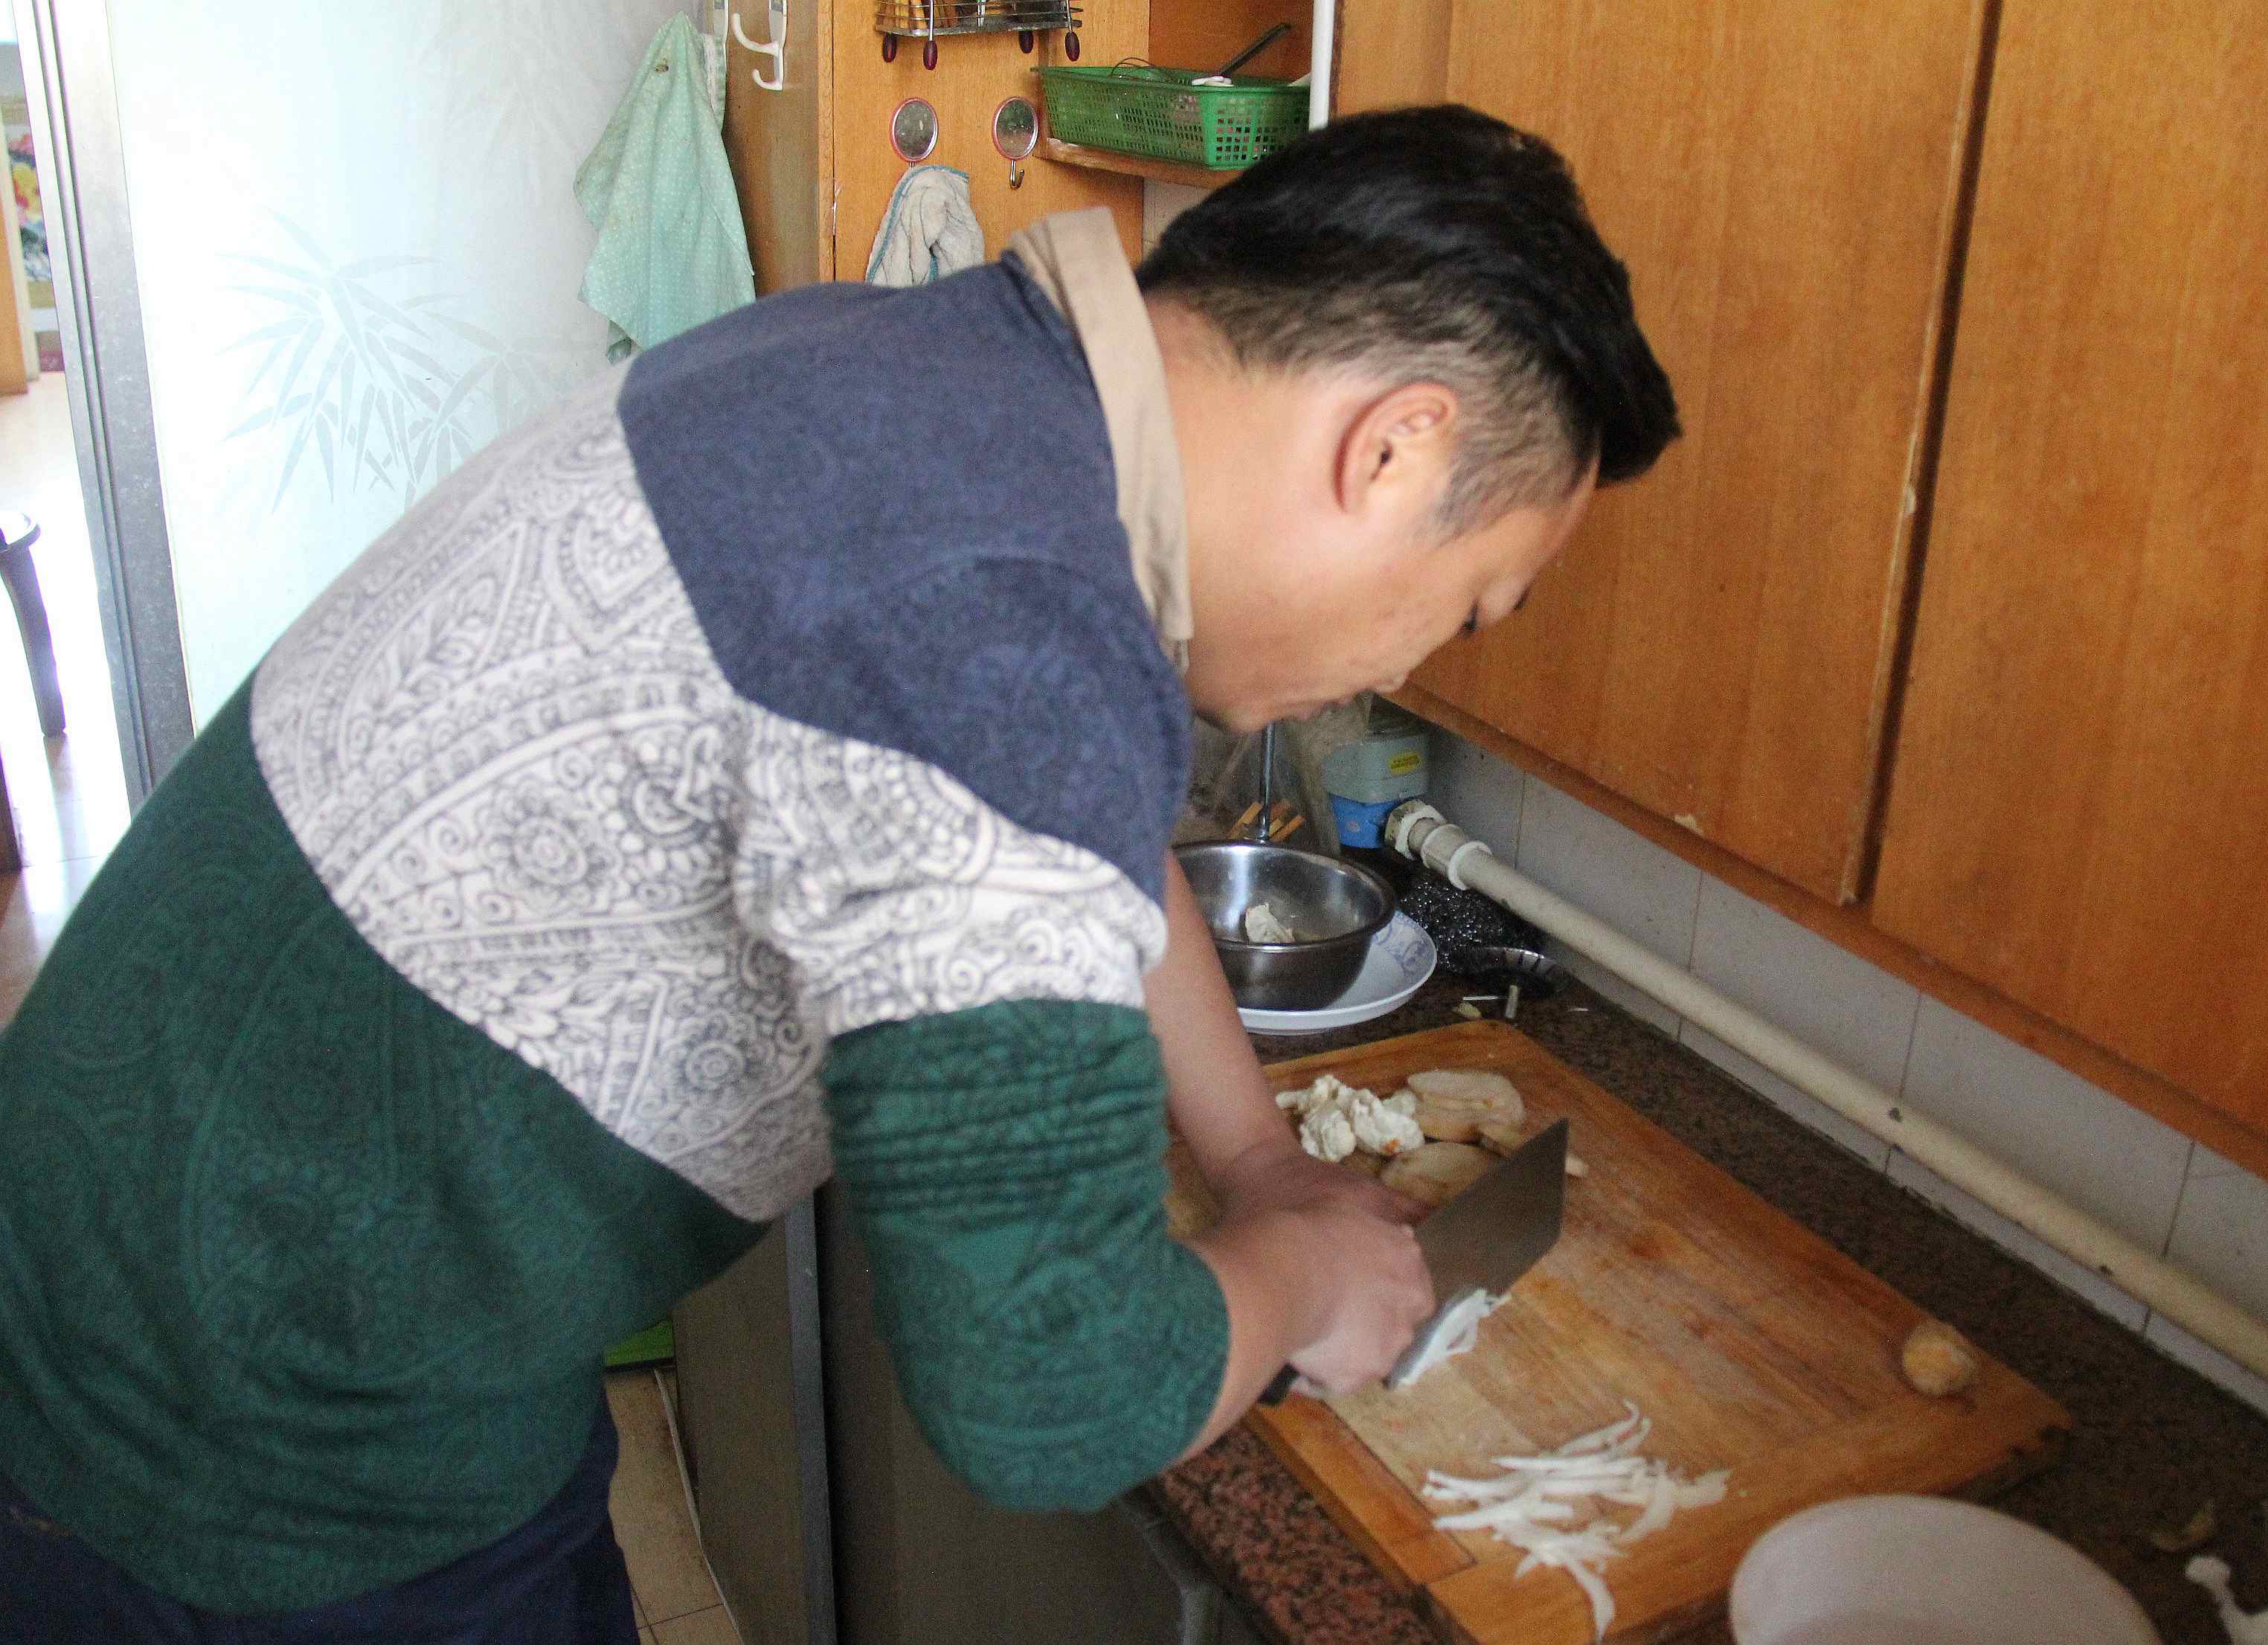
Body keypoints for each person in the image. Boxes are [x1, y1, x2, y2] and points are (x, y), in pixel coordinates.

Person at [0, 104, 1677, 1641]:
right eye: (1469, 603)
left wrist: (1257, 1160)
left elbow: (1075, 843)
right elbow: (1050, 1390)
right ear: (1394, 450)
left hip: (269, 1255)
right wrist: (1310, 1278)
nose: (1411, 664)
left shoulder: (945, 382)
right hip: (236, 1422)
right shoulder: (1003, 613)